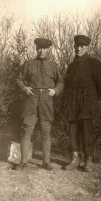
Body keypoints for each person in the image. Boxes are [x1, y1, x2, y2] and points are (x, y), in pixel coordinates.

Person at [15, 37, 63, 171]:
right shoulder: (28, 64)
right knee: (27, 129)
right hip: (31, 99)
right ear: (36, 49)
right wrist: (24, 88)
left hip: (47, 100)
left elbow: (61, 82)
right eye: (39, 48)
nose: (41, 51)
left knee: (46, 130)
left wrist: (56, 90)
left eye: (44, 48)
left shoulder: (54, 65)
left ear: (49, 49)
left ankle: (46, 162)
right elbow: (19, 80)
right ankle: (23, 161)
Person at [62, 35, 101, 172]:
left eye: (82, 46)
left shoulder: (95, 64)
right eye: (77, 46)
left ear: (87, 47)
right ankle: (74, 159)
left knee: (87, 133)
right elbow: (67, 87)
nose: (78, 48)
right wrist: (66, 103)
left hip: (87, 104)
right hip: (72, 104)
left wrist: (92, 100)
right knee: (72, 131)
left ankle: (88, 161)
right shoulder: (71, 66)